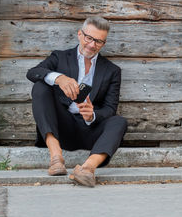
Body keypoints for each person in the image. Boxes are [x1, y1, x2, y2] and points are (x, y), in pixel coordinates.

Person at [26, 16, 127, 187]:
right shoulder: (60, 57)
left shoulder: (112, 71)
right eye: (89, 38)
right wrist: (59, 78)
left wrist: (93, 115)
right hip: (61, 128)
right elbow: (33, 72)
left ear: (104, 43)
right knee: (40, 87)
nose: (92, 45)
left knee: (120, 121)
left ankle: (87, 169)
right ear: (80, 34)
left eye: (99, 41)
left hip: (91, 133)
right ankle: (56, 157)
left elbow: (110, 109)